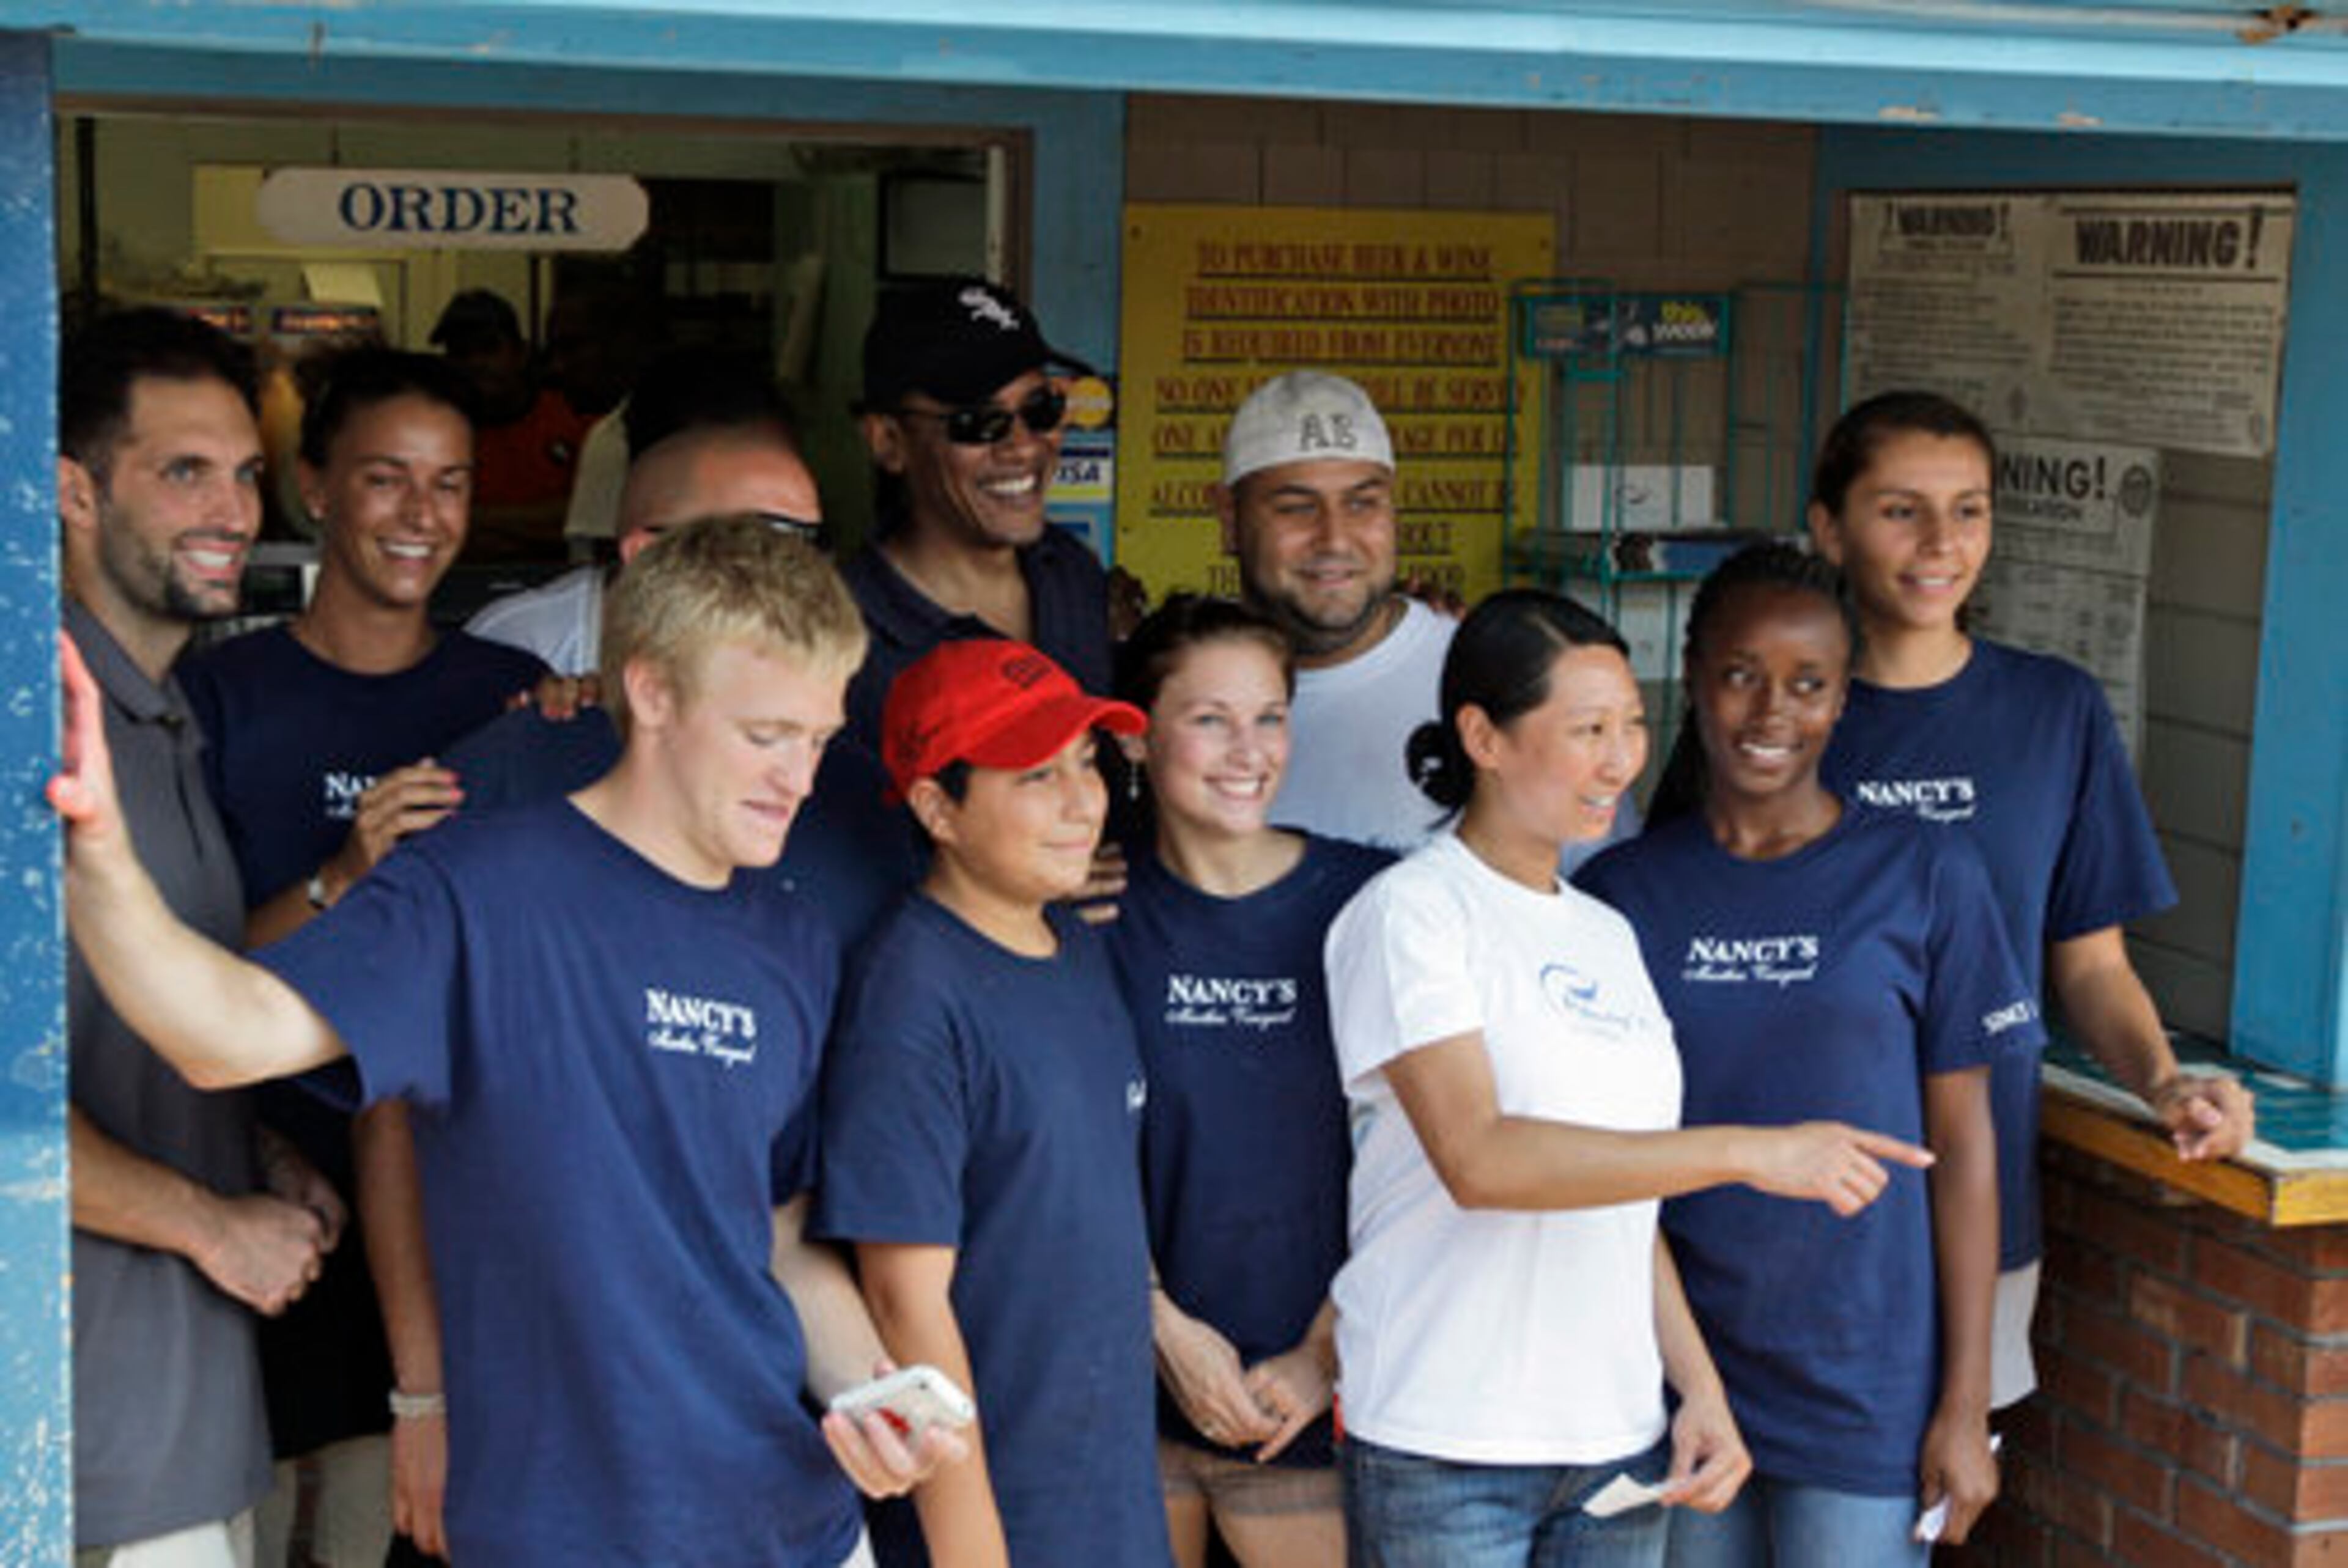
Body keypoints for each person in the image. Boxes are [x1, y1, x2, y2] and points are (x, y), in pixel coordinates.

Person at [51, 516, 963, 1567]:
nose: (798, 781)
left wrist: (871, 1392)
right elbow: (222, 1036)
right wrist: (105, 860)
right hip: (561, 1532)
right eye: (765, 736)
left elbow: (779, 1237)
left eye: (817, 739)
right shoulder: (474, 889)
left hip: (794, 1524)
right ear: (654, 692)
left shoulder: (792, 942)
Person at [1324, 587, 1936, 1568]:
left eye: (1634, 725)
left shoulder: (1606, 930)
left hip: (1612, 1434)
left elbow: (1625, 1192)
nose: (1620, 759)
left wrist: (1696, 1386)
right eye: (1587, 730)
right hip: (1450, 1436)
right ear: (1483, 735)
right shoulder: (1412, 914)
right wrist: (1750, 1152)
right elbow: (1481, 1159)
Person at [1581, 543, 2031, 1560]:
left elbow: (1965, 1153)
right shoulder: (1622, 895)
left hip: (1864, 1384)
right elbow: (1596, 1155)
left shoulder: (1924, 874)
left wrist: (1965, 1404)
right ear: (1694, 679)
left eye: (1808, 684)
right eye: (1742, 675)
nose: (1771, 711)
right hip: (1670, 1375)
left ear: (1842, 702)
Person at [1806, 391, 2256, 1407]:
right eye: (1899, 509)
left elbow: (2091, 963)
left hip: (1980, 1186)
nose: (1940, 543)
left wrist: (2164, 1083)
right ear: (1829, 528)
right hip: (1791, 1191)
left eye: (1969, 509)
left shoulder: (2055, 710)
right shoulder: (1778, 709)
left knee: (1939, 1497)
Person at [176, 345, 547, 1565]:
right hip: (260, 1198)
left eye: (448, 483)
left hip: (461, 1220)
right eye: (387, 479)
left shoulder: (516, 696)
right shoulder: (219, 695)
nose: (422, 516)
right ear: (315, 488)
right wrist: (344, 873)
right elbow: (177, 970)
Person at [57, 305, 340, 1568]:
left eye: (242, 472)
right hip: (82, 1449)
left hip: (184, 1428)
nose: (232, 508)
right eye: (182, 472)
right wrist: (210, 1223)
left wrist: (254, 1146)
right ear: (71, 488)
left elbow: (112, 1031)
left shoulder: (159, 712)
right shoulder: (39, 721)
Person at [814, 640, 1172, 1568]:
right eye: (1035, 777)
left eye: (1087, 764)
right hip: (994, 1517)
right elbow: (904, 1301)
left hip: (1106, 1497)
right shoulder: (911, 992)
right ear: (938, 806)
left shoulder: (1072, 944)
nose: (1082, 802)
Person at [1101, 597, 1391, 1568]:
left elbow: (1431, 1158)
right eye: (1210, 718)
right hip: (1129, 1392)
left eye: (1269, 716)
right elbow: (1057, 1159)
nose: (1249, 749)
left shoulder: (1370, 905)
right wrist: (1161, 1331)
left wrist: (1322, 1355)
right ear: (1136, 738)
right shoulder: (1088, 911)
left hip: (1304, 1398)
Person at [1216, 370, 1637, 861]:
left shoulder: (1497, 671)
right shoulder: (1186, 688)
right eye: (1295, 508)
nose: (1334, 538)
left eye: (1362, 503)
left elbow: (1599, 901)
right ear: (1229, 519)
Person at [844, 276, 1111, 753]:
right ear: (888, 441)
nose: (1024, 445)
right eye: (978, 422)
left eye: (1042, 408)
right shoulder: (841, 636)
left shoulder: (1073, 574)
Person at [467, 346, 820, 675]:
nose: (768, 560)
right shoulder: (523, 645)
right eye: (739, 531)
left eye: (792, 535)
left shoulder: (818, 654)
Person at [429, 288, 591, 561]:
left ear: (521, 353)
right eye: (462, 353)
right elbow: (432, 526)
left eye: (489, 348)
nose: (476, 363)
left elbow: (582, 518)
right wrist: (536, 524)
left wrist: (474, 515)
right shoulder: (434, 432)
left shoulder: (571, 413)